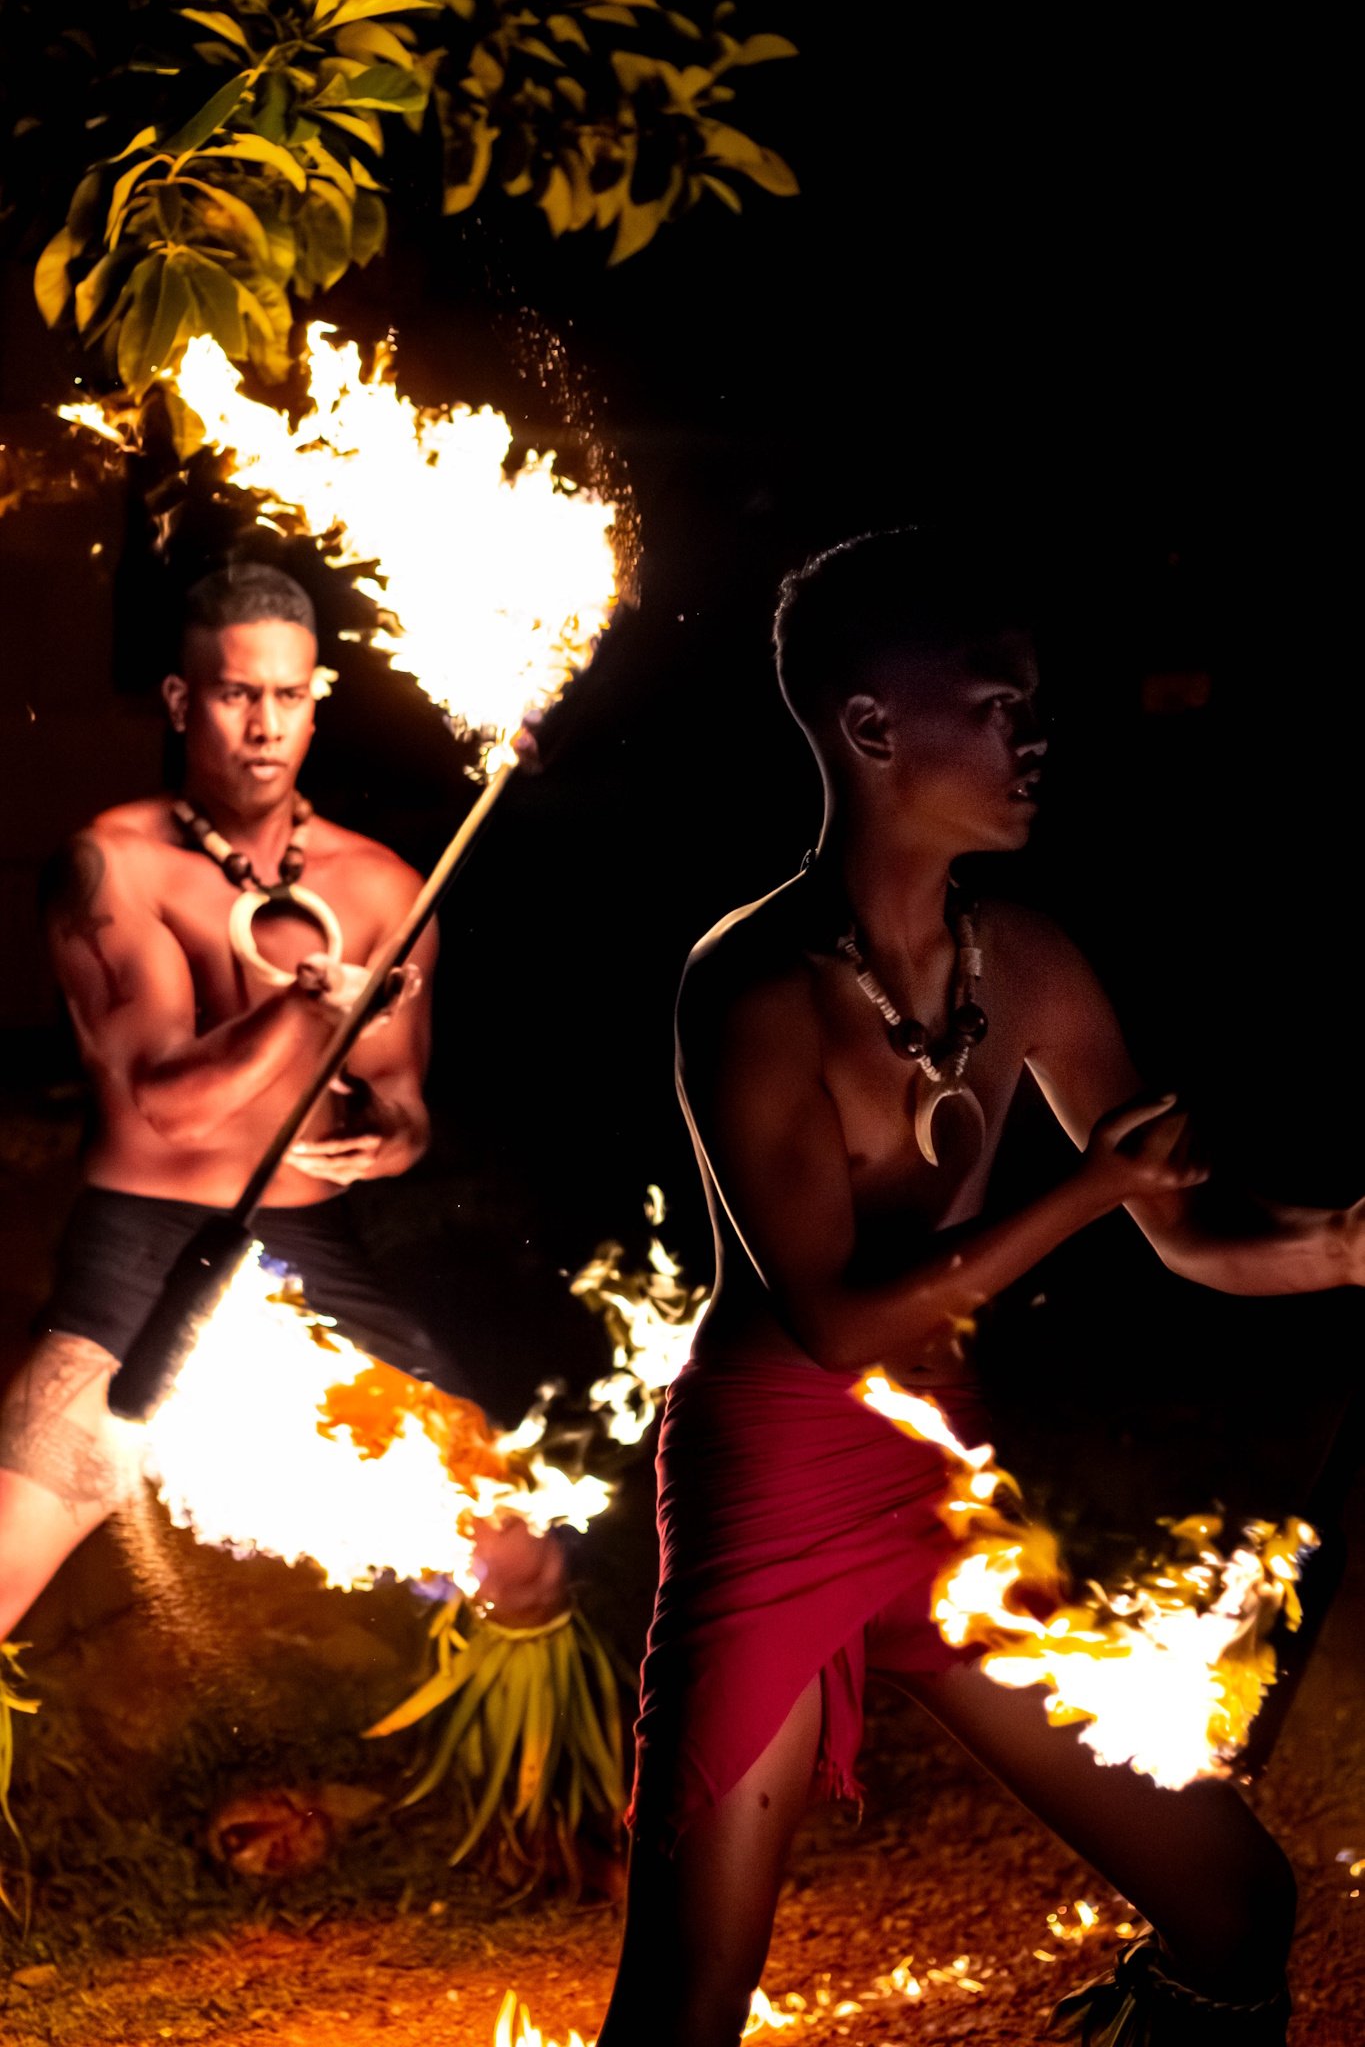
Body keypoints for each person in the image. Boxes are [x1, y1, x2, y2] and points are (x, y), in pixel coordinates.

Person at [599, 528, 1360, 2046]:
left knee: (1231, 1904)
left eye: (1033, 705)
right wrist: (1083, 1192)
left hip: (937, 1474)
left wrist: (1346, 1243)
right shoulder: (749, 984)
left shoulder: (1022, 955)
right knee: (687, 2003)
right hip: (774, 1480)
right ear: (872, 728)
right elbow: (829, 1318)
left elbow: (1191, 1232)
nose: (1036, 734)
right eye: (999, 704)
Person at [0, 561, 466, 1640]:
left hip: (314, 1242)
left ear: (321, 695)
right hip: (143, 1246)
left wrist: (388, 1137)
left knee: (517, 1547)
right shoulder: (110, 867)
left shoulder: (387, 887)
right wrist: (305, 1011)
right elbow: (168, 1102)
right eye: (236, 693)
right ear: (180, 700)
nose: (265, 725)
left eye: (289, 695)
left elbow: (403, 1106)